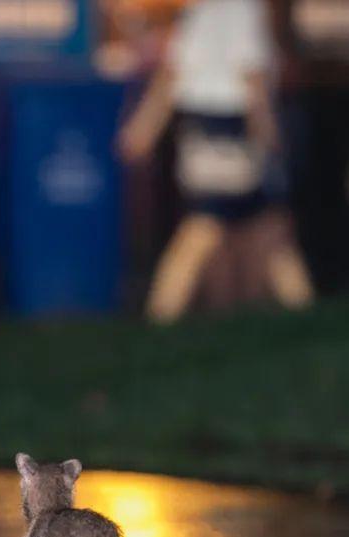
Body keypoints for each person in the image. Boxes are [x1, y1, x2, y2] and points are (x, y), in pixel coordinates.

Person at [117, 0, 313, 323]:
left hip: (198, 128)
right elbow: (253, 76)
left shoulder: (198, 13)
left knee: (252, 229)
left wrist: (144, 129)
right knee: (220, 228)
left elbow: (171, 75)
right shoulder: (243, 11)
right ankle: (161, 315)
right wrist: (268, 131)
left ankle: (162, 315)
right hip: (232, 129)